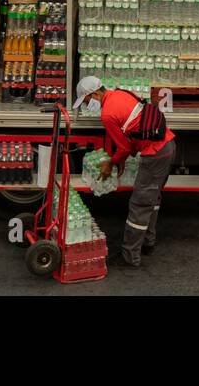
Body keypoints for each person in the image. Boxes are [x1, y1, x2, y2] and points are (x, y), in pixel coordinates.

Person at [72, 76, 176, 269]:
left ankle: (130, 256)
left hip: (154, 154)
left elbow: (124, 148)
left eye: (86, 101)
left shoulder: (107, 114)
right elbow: (135, 127)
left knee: (140, 203)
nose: (87, 106)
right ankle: (148, 243)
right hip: (168, 145)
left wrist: (111, 163)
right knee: (152, 199)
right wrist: (120, 160)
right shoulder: (121, 93)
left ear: (95, 94)